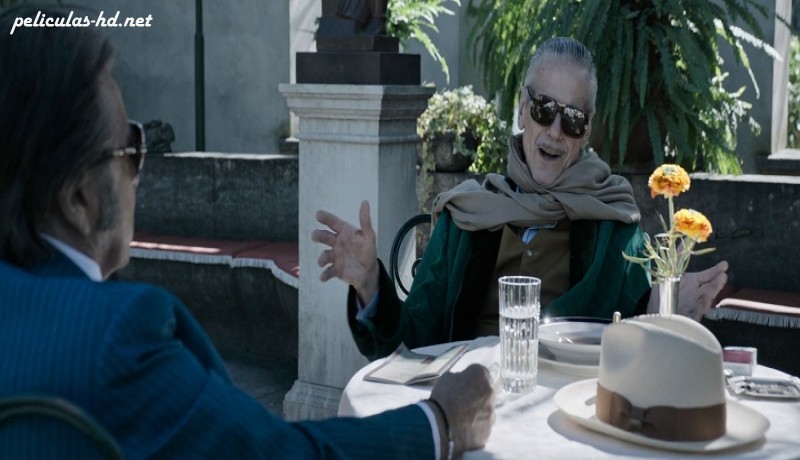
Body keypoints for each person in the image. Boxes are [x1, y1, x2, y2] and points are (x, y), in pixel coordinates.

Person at [0, 5, 493, 459]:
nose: (139, 173)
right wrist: (440, 421)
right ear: (78, 200)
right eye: (132, 146)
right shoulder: (120, 338)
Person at [313, 37, 729, 361]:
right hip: (469, 401)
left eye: (572, 119)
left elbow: (631, 334)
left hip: (564, 406)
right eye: (545, 109)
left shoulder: (613, 225)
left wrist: (664, 307)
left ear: (586, 132)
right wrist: (370, 284)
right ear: (522, 110)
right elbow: (414, 337)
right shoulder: (466, 216)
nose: (555, 132)